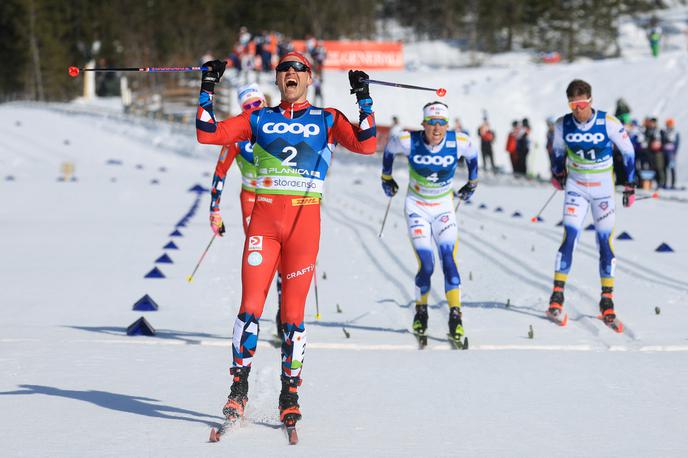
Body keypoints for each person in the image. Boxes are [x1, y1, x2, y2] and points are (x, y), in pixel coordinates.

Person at [196, 52, 376, 430]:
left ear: (309, 78)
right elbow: (208, 134)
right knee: (250, 309)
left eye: (298, 69)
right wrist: (207, 87)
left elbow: (367, 144)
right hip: (264, 225)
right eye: (283, 69)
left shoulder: (327, 119)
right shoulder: (259, 118)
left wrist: (364, 99)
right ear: (277, 80)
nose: (291, 73)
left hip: (303, 227)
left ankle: (289, 394)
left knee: (293, 318)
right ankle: (238, 389)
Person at [380, 101, 478, 345]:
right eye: (431, 123)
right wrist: (386, 177)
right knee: (427, 264)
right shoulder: (407, 140)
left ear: (448, 125)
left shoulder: (460, 141)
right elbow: (388, 151)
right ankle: (421, 311)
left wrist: (472, 183)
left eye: (441, 123)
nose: (436, 129)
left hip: (444, 207)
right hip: (417, 207)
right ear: (423, 124)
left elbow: (473, 157)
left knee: (448, 259)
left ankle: (456, 316)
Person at [547, 79, 635, 329]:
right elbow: (557, 152)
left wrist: (629, 184)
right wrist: (558, 174)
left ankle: (607, 299)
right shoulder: (562, 124)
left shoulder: (608, 122)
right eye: (573, 105)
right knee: (570, 236)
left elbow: (628, 151)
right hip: (576, 188)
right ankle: (557, 295)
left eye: (582, 104)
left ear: (591, 101)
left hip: (603, 191)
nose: (578, 110)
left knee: (605, 242)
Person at [661, 118, 680, 189]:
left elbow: (677, 143)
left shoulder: (675, 132)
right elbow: (662, 141)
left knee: (672, 168)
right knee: (664, 168)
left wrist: (675, 153)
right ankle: (665, 183)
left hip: (671, 153)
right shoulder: (664, 131)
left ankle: (673, 184)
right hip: (665, 152)